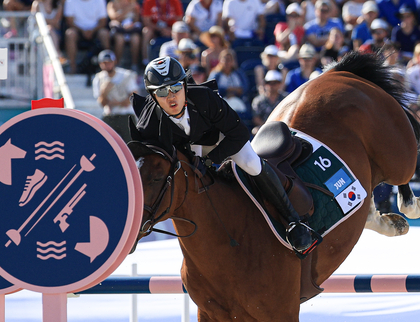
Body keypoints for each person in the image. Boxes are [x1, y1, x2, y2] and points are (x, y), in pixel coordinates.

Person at [130, 57, 314, 253]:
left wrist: (211, 161)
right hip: (186, 147)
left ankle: (293, 221)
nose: (171, 97)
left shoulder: (204, 98)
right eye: (162, 92)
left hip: (221, 137)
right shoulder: (148, 124)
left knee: (252, 163)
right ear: (152, 96)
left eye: (175, 88)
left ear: (184, 84)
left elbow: (239, 133)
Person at [93, 50, 139, 141]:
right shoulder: (99, 78)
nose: (107, 65)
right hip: (110, 115)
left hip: (126, 115)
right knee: (104, 142)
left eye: (109, 62)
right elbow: (102, 103)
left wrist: (118, 103)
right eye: (104, 63)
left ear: (114, 62)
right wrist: (103, 92)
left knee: (132, 146)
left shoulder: (126, 75)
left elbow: (134, 96)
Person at [64, 0, 110, 74]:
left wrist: (92, 30)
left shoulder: (100, 1)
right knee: (70, 34)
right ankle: (72, 67)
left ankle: (107, 67)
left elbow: (103, 21)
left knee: (104, 34)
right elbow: (69, 21)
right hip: (78, 30)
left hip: (95, 30)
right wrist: (83, 31)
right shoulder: (70, 1)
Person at [141, 0, 184, 65]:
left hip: (171, 29)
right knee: (146, 31)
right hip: (155, 29)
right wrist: (161, 29)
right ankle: (146, 61)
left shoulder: (175, 1)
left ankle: (182, 59)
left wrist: (171, 31)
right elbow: (146, 21)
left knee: (181, 31)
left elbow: (179, 20)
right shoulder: (149, 1)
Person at [107, 0, 142, 71]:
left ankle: (134, 65)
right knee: (120, 40)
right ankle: (117, 64)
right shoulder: (112, 4)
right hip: (118, 30)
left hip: (131, 30)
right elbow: (114, 17)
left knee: (135, 39)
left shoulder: (134, 3)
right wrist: (128, 8)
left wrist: (131, 25)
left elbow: (137, 19)